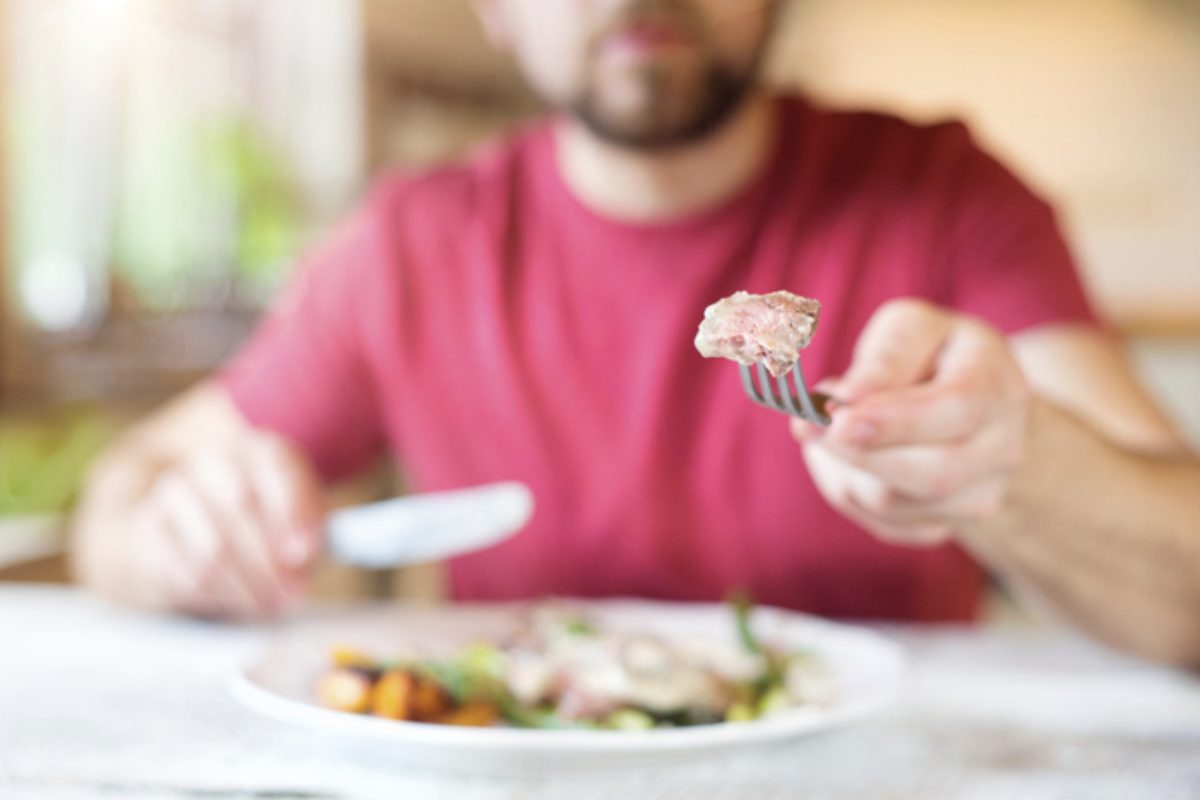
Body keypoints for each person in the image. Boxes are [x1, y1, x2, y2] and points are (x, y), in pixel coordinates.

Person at [73, 0, 1200, 666]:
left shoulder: (947, 199)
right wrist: (178, 534)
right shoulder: (413, 244)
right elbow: (119, 501)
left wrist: (1025, 467)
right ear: (498, 11)